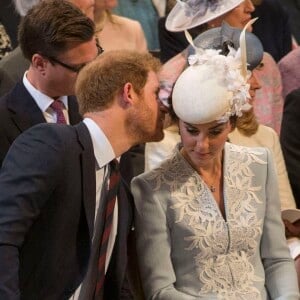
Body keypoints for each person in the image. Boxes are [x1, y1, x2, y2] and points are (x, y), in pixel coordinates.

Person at [132, 22, 300, 298]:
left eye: (215, 131)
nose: (202, 144)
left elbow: (276, 259)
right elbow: (159, 290)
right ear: (179, 123)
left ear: (231, 123)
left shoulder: (259, 164)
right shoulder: (151, 188)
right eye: (192, 130)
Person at [0, 36, 167, 300]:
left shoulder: (120, 190)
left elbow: (116, 285)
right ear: (129, 93)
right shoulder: (53, 143)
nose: (164, 105)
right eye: (156, 93)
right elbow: (3, 235)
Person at [0, 0, 99, 167]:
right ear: (40, 64)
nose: (91, 73)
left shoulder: (97, 101)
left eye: (95, 60)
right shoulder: (3, 122)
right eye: (80, 67)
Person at [161, 0, 284, 134]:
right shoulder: (174, 77)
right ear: (210, 15)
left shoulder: (267, 64)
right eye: (237, 2)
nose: (250, 8)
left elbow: (276, 135)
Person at [0, 0, 95, 97]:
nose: (92, 75)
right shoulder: (9, 75)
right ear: (40, 64)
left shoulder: (93, 101)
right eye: (80, 68)